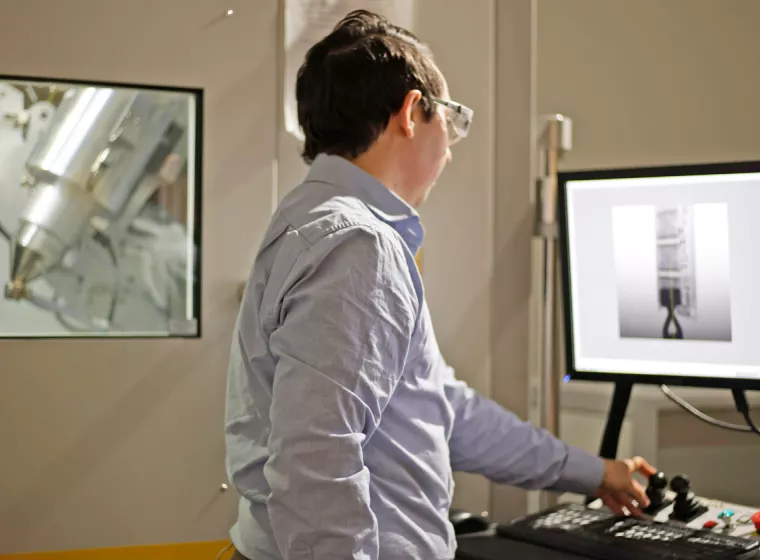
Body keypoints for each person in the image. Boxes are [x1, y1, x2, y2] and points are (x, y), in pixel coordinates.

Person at [224, 9, 656, 560]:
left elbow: (439, 407)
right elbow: (316, 456)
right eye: (448, 120)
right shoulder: (360, 245)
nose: (450, 146)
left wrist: (593, 472)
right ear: (411, 112)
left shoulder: (309, 222)